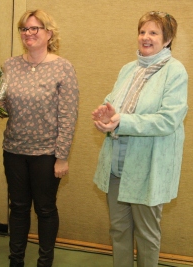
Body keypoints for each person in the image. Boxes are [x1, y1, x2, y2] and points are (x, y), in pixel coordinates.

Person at [92, 11, 188, 267]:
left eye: (154, 33)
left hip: (147, 168)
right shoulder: (128, 69)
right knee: (119, 231)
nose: (145, 37)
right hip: (116, 166)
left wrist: (122, 120)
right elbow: (114, 103)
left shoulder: (175, 72)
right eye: (142, 32)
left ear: (167, 39)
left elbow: (168, 120)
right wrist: (106, 115)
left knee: (146, 235)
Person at [1, 9, 79, 267]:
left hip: (46, 154)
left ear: (49, 33)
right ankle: (16, 261)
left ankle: (45, 262)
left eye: (35, 28)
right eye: (24, 29)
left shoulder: (63, 67)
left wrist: (62, 157)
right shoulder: (10, 66)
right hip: (14, 150)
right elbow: (1, 107)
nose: (29, 33)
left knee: (45, 210)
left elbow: (68, 116)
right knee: (19, 207)